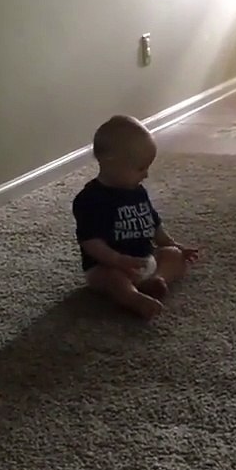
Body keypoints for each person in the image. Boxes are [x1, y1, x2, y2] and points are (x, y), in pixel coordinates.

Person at [73, 115, 200, 319]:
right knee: (112, 279)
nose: (146, 175)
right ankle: (132, 298)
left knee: (173, 256)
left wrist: (174, 245)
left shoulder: (138, 191)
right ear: (110, 162)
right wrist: (118, 260)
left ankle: (157, 280)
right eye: (141, 168)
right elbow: (90, 242)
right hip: (109, 266)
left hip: (144, 260)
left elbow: (154, 225)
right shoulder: (90, 199)